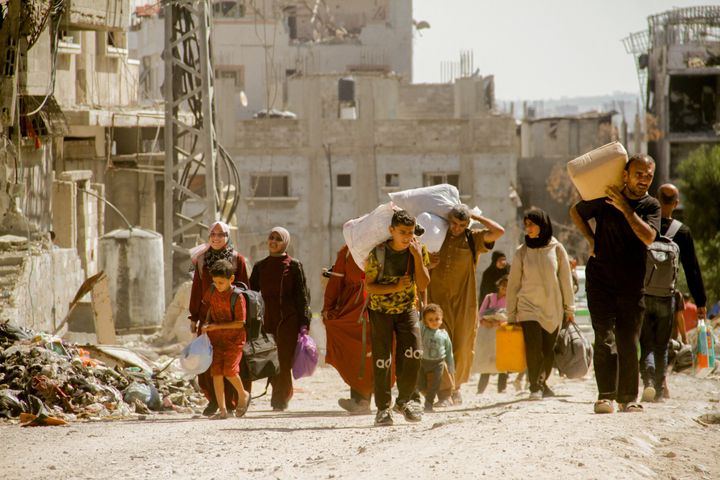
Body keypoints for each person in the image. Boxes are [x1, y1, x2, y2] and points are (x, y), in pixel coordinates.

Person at [570, 153, 661, 414]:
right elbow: (575, 212)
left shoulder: (651, 206)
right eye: (639, 174)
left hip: (631, 283)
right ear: (625, 175)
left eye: (648, 176)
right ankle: (605, 396)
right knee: (604, 337)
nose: (644, 180)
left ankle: (628, 398)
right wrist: (590, 239)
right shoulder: (605, 196)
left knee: (628, 340)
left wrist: (625, 208)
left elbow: (648, 237)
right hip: (600, 280)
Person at [427, 204, 505, 404]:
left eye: (462, 224)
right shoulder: (436, 237)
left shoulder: (473, 238)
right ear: (447, 221)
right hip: (438, 302)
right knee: (440, 345)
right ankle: (444, 392)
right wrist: (428, 265)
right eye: (453, 223)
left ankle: (456, 387)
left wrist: (477, 218)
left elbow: (498, 231)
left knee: (462, 347)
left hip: (465, 302)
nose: (456, 228)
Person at [639, 183, 707, 402]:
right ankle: (660, 387)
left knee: (646, 342)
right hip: (667, 296)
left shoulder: (642, 226)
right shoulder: (682, 232)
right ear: (676, 204)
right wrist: (701, 301)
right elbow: (692, 269)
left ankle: (648, 381)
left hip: (643, 294)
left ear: (656, 200)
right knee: (662, 345)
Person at [365, 210, 430, 426]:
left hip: (407, 309)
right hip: (380, 311)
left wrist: (418, 257)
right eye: (402, 232)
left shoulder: (417, 249)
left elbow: (423, 284)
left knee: (414, 353)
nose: (406, 237)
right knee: (383, 360)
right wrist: (394, 286)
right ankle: (383, 409)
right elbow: (370, 286)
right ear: (391, 230)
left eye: (410, 232)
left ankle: (404, 401)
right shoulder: (378, 253)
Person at [506, 209, 575, 400]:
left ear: (542, 226)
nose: (527, 228)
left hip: (552, 308)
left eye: (531, 224)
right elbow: (513, 285)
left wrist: (569, 308)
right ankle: (534, 387)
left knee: (548, 350)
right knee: (533, 347)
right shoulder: (522, 252)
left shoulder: (557, 249)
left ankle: (543, 382)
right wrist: (511, 314)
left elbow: (565, 281)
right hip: (528, 307)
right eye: (526, 224)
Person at [188, 221, 250, 416]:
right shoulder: (200, 260)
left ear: (227, 237)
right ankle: (215, 402)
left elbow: (245, 288)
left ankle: (234, 400)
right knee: (209, 362)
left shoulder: (236, 259)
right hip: (208, 319)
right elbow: (197, 289)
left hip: (232, 320)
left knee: (231, 366)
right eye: (212, 234)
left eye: (220, 234)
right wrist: (194, 316)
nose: (216, 238)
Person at [250, 226, 312, 411]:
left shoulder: (294, 266)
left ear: (285, 242)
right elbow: (251, 295)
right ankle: (281, 392)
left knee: (283, 360)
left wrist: (304, 323)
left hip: (288, 321)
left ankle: (279, 398)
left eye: (278, 238)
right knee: (270, 359)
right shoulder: (260, 267)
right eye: (271, 237)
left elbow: (302, 296)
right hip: (267, 321)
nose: (274, 241)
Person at [322, 244, 373, 414]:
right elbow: (336, 282)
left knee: (374, 351)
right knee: (355, 351)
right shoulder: (346, 252)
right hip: (351, 310)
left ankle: (375, 399)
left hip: (380, 306)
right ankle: (360, 399)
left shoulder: (387, 248)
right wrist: (328, 308)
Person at [201, 260, 250, 420]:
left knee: (229, 370)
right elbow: (209, 307)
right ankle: (222, 411)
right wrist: (207, 324)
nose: (218, 285)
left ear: (231, 279)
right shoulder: (212, 291)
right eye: (215, 282)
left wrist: (217, 326)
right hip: (216, 340)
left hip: (234, 340)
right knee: (216, 373)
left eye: (221, 282)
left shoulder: (237, 297)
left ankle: (243, 395)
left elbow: (240, 323)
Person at [417, 304, 454, 412]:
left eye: (437, 319)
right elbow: (418, 320)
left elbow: (449, 351)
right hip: (423, 362)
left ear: (441, 319)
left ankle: (429, 404)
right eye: (431, 319)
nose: (434, 322)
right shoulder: (423, 330)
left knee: (435, 385)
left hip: (438, 364)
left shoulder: (443, 334)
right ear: (425, 322)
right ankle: (425, 397)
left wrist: (451, 366)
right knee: (421, 384)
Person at [477, 275, 510, 394]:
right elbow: (480, 313)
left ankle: (502, 388)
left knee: (502, 359)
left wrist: (499, 322)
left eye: (508, 286)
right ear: (499, 285)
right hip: (487, 332)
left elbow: (512, 317)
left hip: (501, 332)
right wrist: (484, 321)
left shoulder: (510, 300)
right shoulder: (489, 297)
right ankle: (480, 390)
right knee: (486, 358)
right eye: (503, 285)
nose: (505, 288)